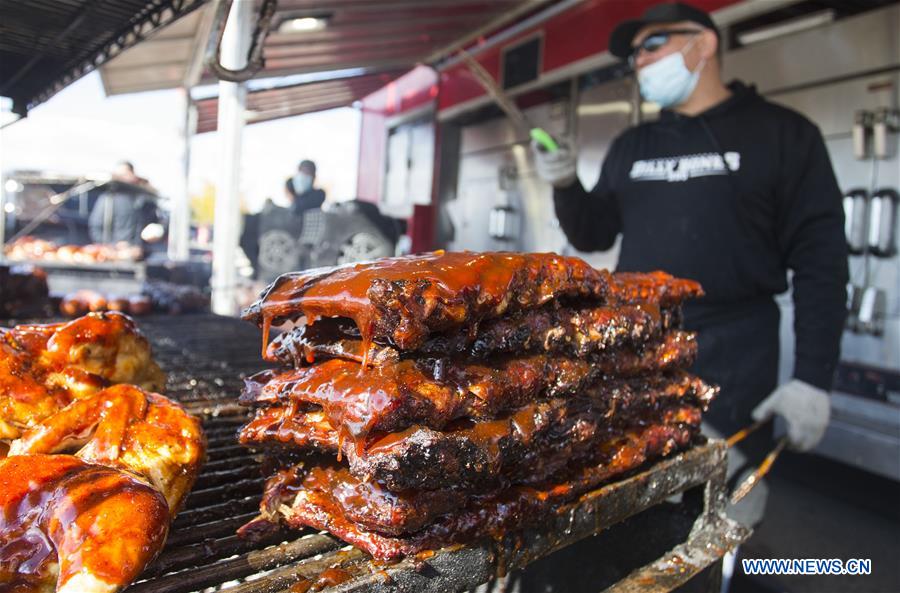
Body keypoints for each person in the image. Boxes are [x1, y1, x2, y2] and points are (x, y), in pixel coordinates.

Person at [532, 2, 848, 528]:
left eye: (652, 45)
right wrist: (566, 184)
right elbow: (593, 232)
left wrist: (814, 378)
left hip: (735, 363)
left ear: (704, 44)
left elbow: (822, 262)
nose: (639, 61)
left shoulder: (784, 135)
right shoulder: (634, 144)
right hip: (636, 355)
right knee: (627, 510)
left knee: (713, 518)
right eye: (634, 54)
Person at [88, 161, 162, 245]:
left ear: (132, 174)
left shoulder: (145, 199)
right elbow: (96, 227)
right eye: (119, 175)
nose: (122, 177)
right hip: (116, 253)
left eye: (125, 174)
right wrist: (113, 246)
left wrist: (153, 236)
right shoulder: (107, 198)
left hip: (142, 252)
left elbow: (155, 222)